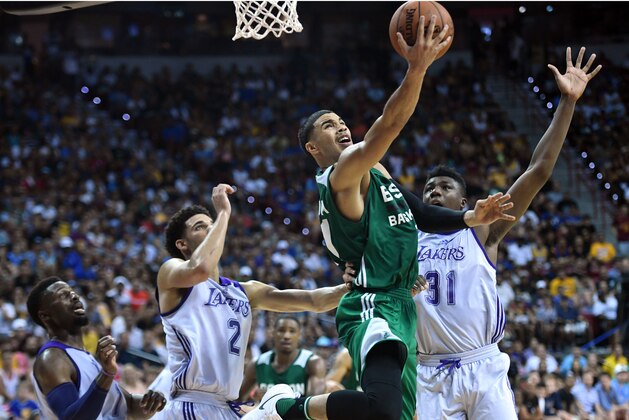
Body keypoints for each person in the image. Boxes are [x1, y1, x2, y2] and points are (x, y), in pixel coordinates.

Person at [247, 16, 514, 420]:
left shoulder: (376, 173)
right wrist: (417, 67)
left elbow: (421, 212)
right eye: (326, 126)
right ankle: (281, 407)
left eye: (340, 121)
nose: (339, 127)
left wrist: (468, 217)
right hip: (372, 304)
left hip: (401, 306)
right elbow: (387, 127)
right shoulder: (341, 176)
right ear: (312, 149)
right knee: (382, 411)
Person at [389, 46, 600, 419]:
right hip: (429, 371)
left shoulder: (484, 230)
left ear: (463, 202)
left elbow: (538, 171)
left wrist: (567, 102)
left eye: (443, 187)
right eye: (428, 189)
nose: (433, 191)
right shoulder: (405, 239)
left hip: (483, 366)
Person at [156, 184, 349, 419]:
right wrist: (223, 214)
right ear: (182, 245)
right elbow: (200, 268)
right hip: (190, 403)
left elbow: (314, 301)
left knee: (280, 394)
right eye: (200, 227)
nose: (212, 229)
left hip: (225, 405)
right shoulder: (171, 272)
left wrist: (353, 284)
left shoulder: (244, 291)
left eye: (212, 225)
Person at [26, 276, 167, 419]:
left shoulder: (87, 358)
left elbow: (128, 406)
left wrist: (152, 402)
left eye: (72, 292)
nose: (75, 296)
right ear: (45, 316)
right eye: (63, 295)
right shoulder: (52, 358)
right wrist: (106, 374)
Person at [239, 316, 326, 401]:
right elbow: (238, 400)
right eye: (281, 330)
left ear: (299, 335)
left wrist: (273, 397)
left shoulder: (313, 362)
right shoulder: (257, 364)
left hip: (298, 415)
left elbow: (314, 403)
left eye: (292, 331)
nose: (286, 336)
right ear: (273, 333)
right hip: (266, 415)